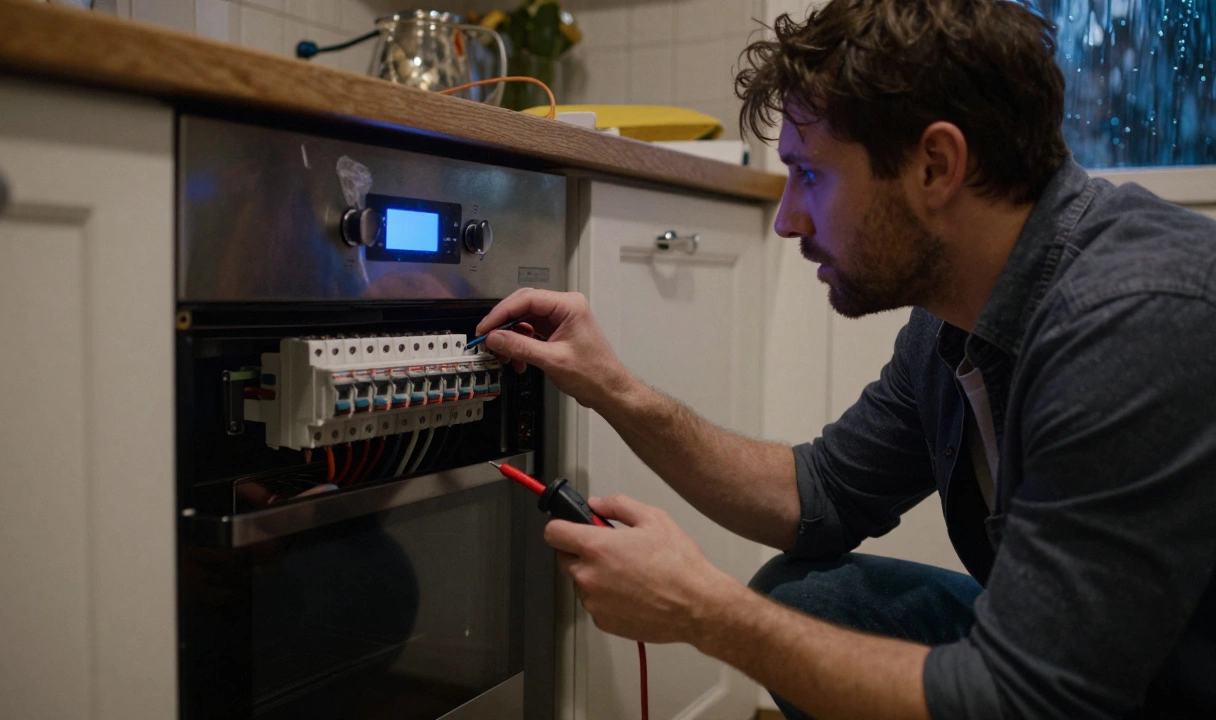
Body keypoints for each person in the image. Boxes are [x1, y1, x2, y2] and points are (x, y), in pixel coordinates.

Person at [477, 0, 1216, 717]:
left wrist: (700, 609)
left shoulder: (1136, 319)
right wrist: (611, 387)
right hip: (1092, 667)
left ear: (936, 166)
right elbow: (821, 496)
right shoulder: (951, 325)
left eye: (811, 175)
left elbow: (1031, 697)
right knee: (813, 601)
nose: (787, 219)